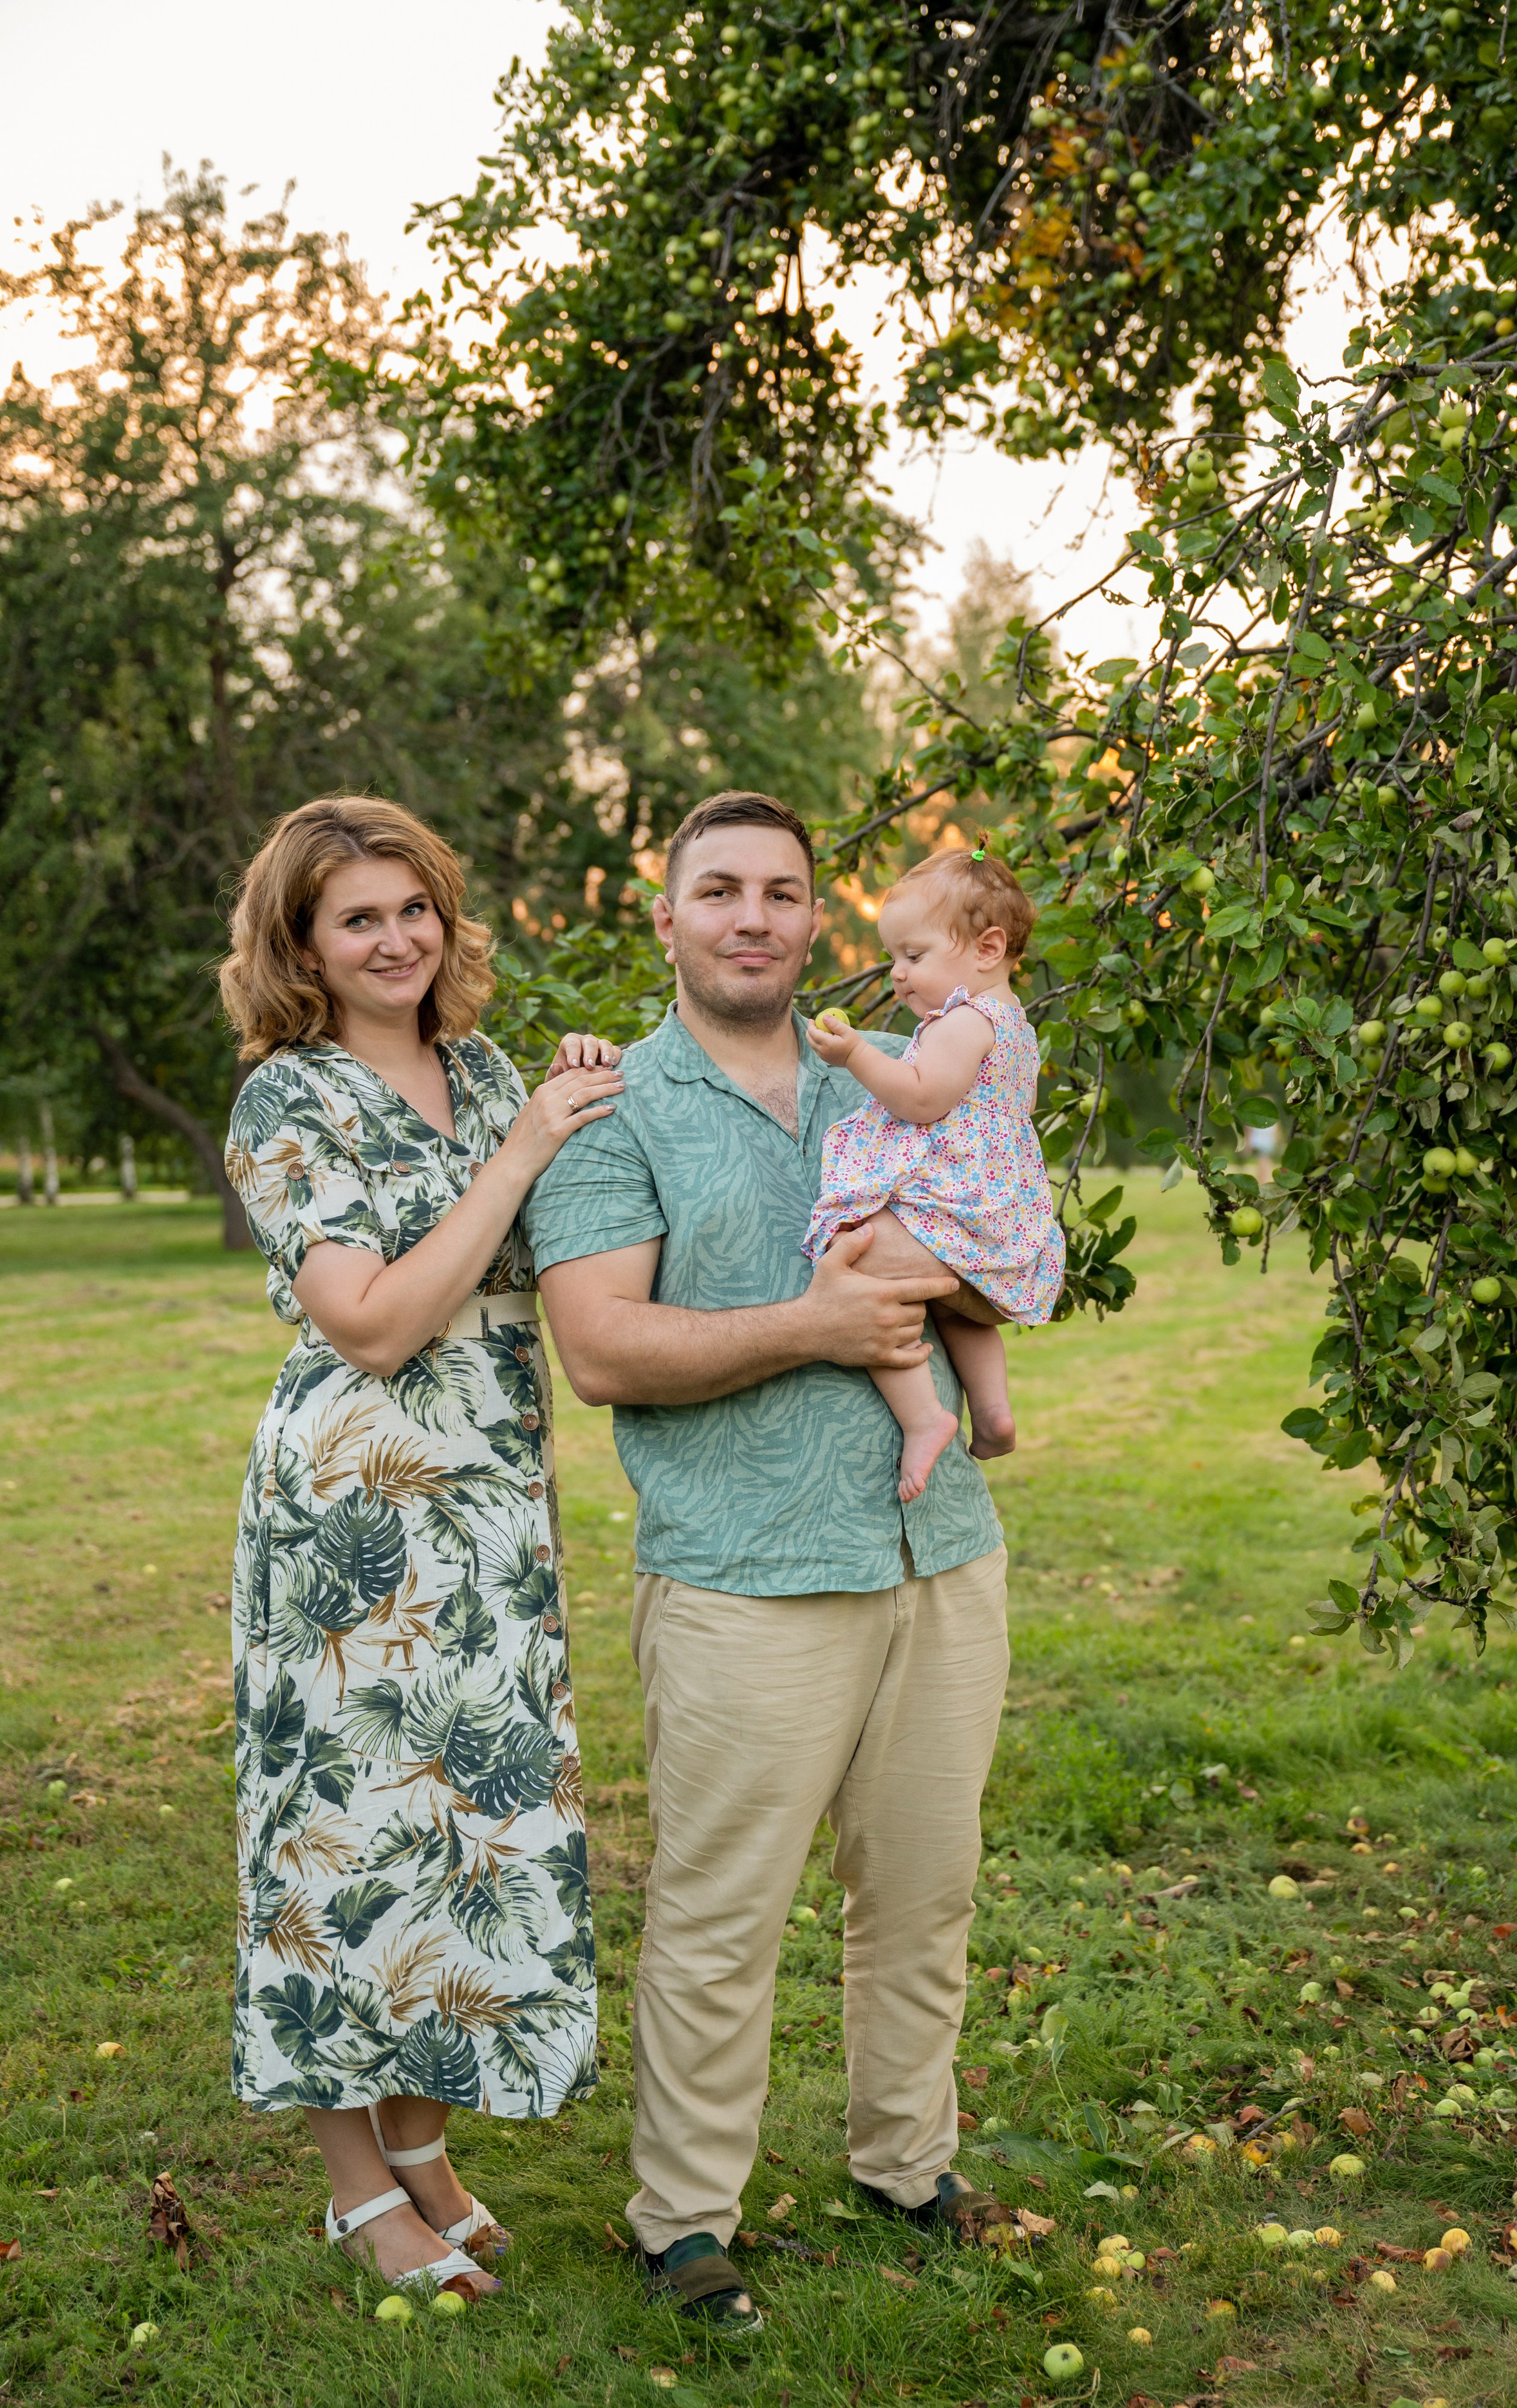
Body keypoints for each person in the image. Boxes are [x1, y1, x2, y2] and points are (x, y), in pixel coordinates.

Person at [525, 790, 1012, 2336]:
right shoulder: (610, 1108)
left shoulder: (897, 1075)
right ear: (663, 918)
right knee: (721, 1910)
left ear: (817, 923)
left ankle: (904, 2161)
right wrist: (811, 1323)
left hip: (937, 1547)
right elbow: (600, 1346)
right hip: (744, 1570)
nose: (752, 915)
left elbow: (999, 1227)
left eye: (782, 892)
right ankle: (682, 2216)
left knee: (924, 1892)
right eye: (717, 889)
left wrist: (961, 1283)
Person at [218, 795, 622, 2303]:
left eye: (413, 908)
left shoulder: (492, 1068)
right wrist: (518, 1151)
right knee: (338, 1840)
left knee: (472, 1832)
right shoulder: (287, 1101)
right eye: (356, 917)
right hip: (347, 1525)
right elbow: (375, 1319)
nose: (394, 938)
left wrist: (576, 1093)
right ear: (303, 945)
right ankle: (350, 2182)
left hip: (489, 1512)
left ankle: (423, 2140)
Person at [802, 842, 1065, 1503]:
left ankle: (925, 1417)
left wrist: (857, 1052)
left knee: (854, 1252)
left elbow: (921, 1098)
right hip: (992, 1208)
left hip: (956, 1199)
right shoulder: (1015, 1026)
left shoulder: (963, 1022)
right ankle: (994, 1409)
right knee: (955, 1305)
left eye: (913, 956)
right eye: (894, 957)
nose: (897, 973)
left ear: (986, 949)